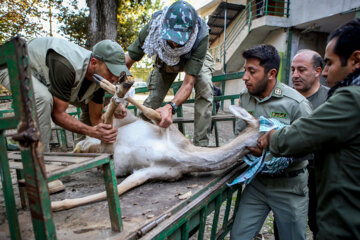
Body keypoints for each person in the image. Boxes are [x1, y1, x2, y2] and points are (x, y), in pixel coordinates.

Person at [259, 18, 360, 239]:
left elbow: (300, 135)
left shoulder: (350, 98)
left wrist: (271, 138)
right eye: (293, 69)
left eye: (330, 64)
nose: (326, 73)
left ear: (355, 60)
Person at [230, 44, 312, 240]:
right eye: (245, 71)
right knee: (238, 236)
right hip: (258, 184)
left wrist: (272, 154)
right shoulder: (245, 97)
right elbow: (239, 135)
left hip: (290, 186)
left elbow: (309, 148)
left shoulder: (296, 104)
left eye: (252, 71)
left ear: (271, 73)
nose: (245, 77)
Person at [0, 37, 131, 152]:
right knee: (43, 99)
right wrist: (91, 132)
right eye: (111, 70)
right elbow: (58, 114)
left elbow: (95, 117)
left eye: (118, 71)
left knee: (86, 104)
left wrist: (104, 134)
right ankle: (41, 164)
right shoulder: (66, 65)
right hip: (11, 63)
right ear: (94, 63)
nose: (115, 77)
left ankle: (82, 150)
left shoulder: (101, 78)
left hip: (42, 73)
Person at [125, 0, 214, 146]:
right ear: (164, 25)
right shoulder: (152, 28)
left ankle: (200, 145)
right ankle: (137, 141)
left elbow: (188, 83)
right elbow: (128, 61)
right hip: (165, 58)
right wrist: (122, 95)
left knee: (204, 87)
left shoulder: (201, 35)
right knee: (154, 99)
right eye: (171, 37)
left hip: (195, 57)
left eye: (179, 40)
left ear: (191, 31)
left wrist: (170, 107)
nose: (174, 44)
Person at [291, 49, 328, 239]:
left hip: (319, 175)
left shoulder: (331, 100)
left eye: (301, 70)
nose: (295, 75)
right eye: (292, 70)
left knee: (318, 223)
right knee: (287, 223)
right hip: (291, 173)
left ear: (318, 71)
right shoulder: (287, 99)